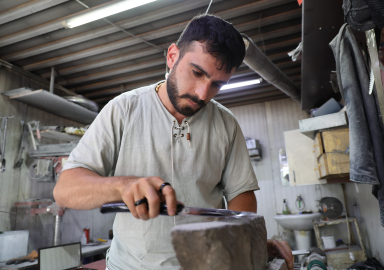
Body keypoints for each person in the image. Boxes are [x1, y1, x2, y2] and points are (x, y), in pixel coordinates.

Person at [54, 14, 293, 270]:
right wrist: (121, 187)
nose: (203, 94)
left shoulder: (226, 124)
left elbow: (241, 197)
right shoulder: (122, 110)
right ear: (172, 56)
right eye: (197, 73)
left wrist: (246, 244)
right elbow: (65, 190)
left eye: (217, 85)